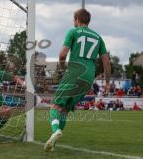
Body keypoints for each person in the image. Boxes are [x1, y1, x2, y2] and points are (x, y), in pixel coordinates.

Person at [44, 8, 111, 152]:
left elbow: (62, 55)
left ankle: (56, 131)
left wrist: (62, 68)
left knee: (55, 106)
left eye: (73, 19)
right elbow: (106, 62)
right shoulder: (98, 37)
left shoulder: (72, 32)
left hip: (75, 72)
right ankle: (53, 144)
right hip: (89, 78)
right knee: (65, 110)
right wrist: (107, 83)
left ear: (77, 20)